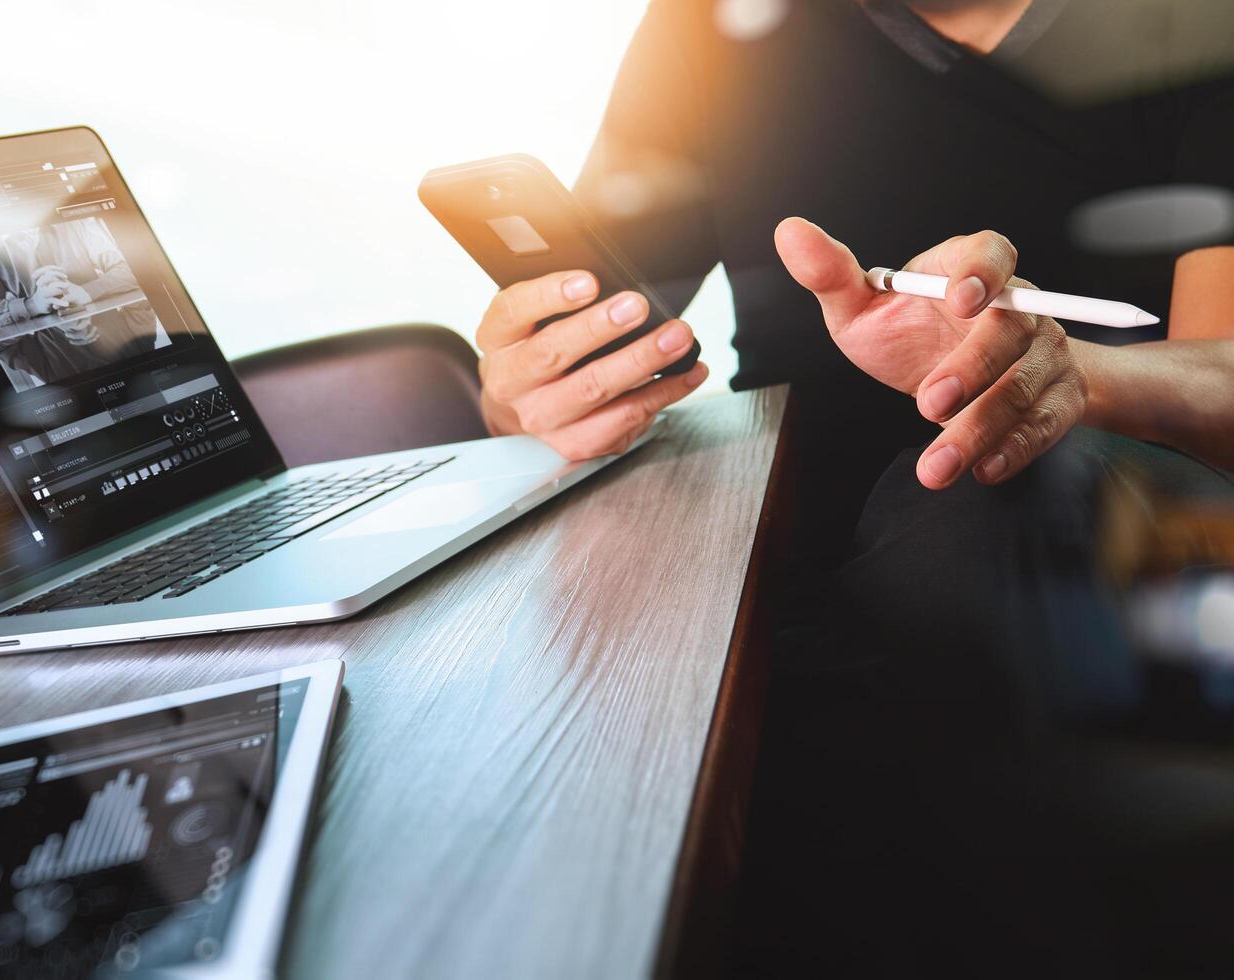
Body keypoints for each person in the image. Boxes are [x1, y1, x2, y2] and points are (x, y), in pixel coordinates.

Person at [466, 0, 1234, 972]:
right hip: (769, 589)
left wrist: (1059, 375)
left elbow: (1221, 374)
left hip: (1079, 561)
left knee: (980, 510)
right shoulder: (705, 30)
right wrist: (526, 395)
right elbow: (592, 333)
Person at [0, 217, 162, 389]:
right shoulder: (143, 350)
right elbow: (139, 275)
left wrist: (31, 306)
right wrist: (86, 292)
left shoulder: (55, 379)